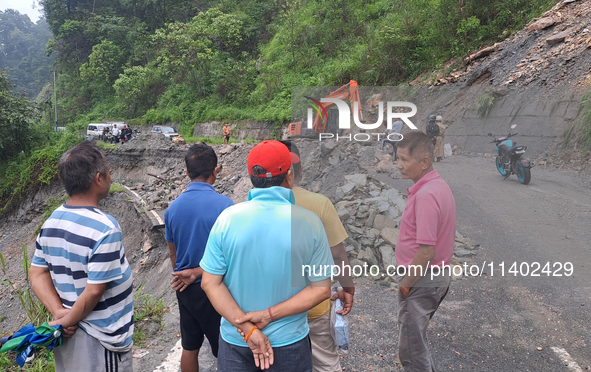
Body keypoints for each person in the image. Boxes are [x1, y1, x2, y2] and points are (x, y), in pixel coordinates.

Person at [200, 140, 334, 372]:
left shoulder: (227, 219)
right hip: (289, 343)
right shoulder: (309, 222)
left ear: (253, 177)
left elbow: (210, 283)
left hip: (237, 341)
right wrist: (269, 315)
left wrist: (249, 330)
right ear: (289, 176)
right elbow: (321, 289)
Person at [29, 141, 134, 372]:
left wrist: (59, 312)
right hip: (99, 340)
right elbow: (94, 290)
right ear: (98, 178)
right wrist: (65, 320)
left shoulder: (53, 220)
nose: (111, 179)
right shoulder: (105, 228)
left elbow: (37, 272)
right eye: (109, 173)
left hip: (69, 335)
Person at [276, 140, 355, 372]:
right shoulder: (320, 204)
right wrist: (348, 289)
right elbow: (338, 255)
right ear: (301, 170)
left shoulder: (258, 208)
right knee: (325, 364)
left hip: (277, 309)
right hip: (316, 307)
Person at [164, 143, 233, 372]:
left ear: (187, 172)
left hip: (185, 289)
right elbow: (231, 257)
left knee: (190, 346)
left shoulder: (172, 209)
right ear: (216, 170)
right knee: (225, 348)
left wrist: (185, 275)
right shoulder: (226, 207)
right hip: (216, 289)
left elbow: (174, 255)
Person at [394, 130, 456, 371]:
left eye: (404, 160)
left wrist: (405, 285)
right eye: (397, 159)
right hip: (431, 278)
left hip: (422, 280)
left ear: (424, 162)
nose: (398, 165)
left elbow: (426, 252)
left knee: (411, 352)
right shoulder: (437, 186)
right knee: (417, 342)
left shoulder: (427, 195)